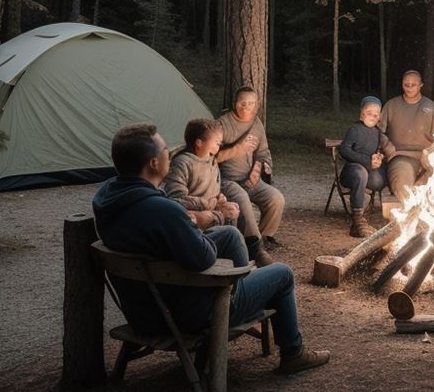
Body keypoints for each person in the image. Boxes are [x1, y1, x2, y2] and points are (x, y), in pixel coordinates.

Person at [92, 123, 330, 373]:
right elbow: (203, 257)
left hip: (143, 309)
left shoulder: (108, 198)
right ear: (153, 163)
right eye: (165, 150)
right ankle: (293, 353)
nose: (170, 154)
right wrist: (199, 221)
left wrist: (197, 221)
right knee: (282, 273)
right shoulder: (163, 212)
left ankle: (239, 292)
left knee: (229, 234)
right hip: (185, 315)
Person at [163, 118, 273, 266]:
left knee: (233, 209)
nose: (219, 146)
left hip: (211, 211)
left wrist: (221, 200)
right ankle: (235, 265)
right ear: (199, 142)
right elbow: (176, 199)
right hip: (192, 221)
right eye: (216, 142)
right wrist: (208, 204)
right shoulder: (183, 163)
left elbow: (213, 187)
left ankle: (240, 254)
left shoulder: (211, 160)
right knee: (227, 223)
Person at [216, 86, 286, 246]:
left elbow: (263, 151)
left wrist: (261, 167)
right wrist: (237, 149)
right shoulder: (222, 124)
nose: (247, 107)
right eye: (243, 103)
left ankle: (265, 236)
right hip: (227, 181)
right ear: (235, 103)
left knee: (276, 198)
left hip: (250, 179)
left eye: (252, 103)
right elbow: (212, 157)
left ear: (257, 105)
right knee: (242, 198)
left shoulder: (256, 123)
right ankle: (252, 242)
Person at [378, 70, 434, 201]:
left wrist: (429, 152)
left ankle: (429, 215)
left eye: (413, 85)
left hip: (426, 158)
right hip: (401, 156)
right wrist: (387, 146)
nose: (409, 88)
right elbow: (377, 131)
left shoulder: (430, 107)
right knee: (403, 184)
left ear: (421, 85)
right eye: (406, 84)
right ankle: (408, 215)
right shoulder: (391, 105)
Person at [339, 96, 391, 237]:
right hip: (351, 171)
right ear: (361, 114)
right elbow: (344, 149)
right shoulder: (355, 129)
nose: (372, 116)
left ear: (379, 117)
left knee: (379, 180)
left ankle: (367, 201)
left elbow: (378, 151)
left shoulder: (377, 133)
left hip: (368, 171)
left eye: (376, 114)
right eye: (369, 112)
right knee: (361, 172)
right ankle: (357, 218)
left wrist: (378, 158)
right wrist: (367, 160)